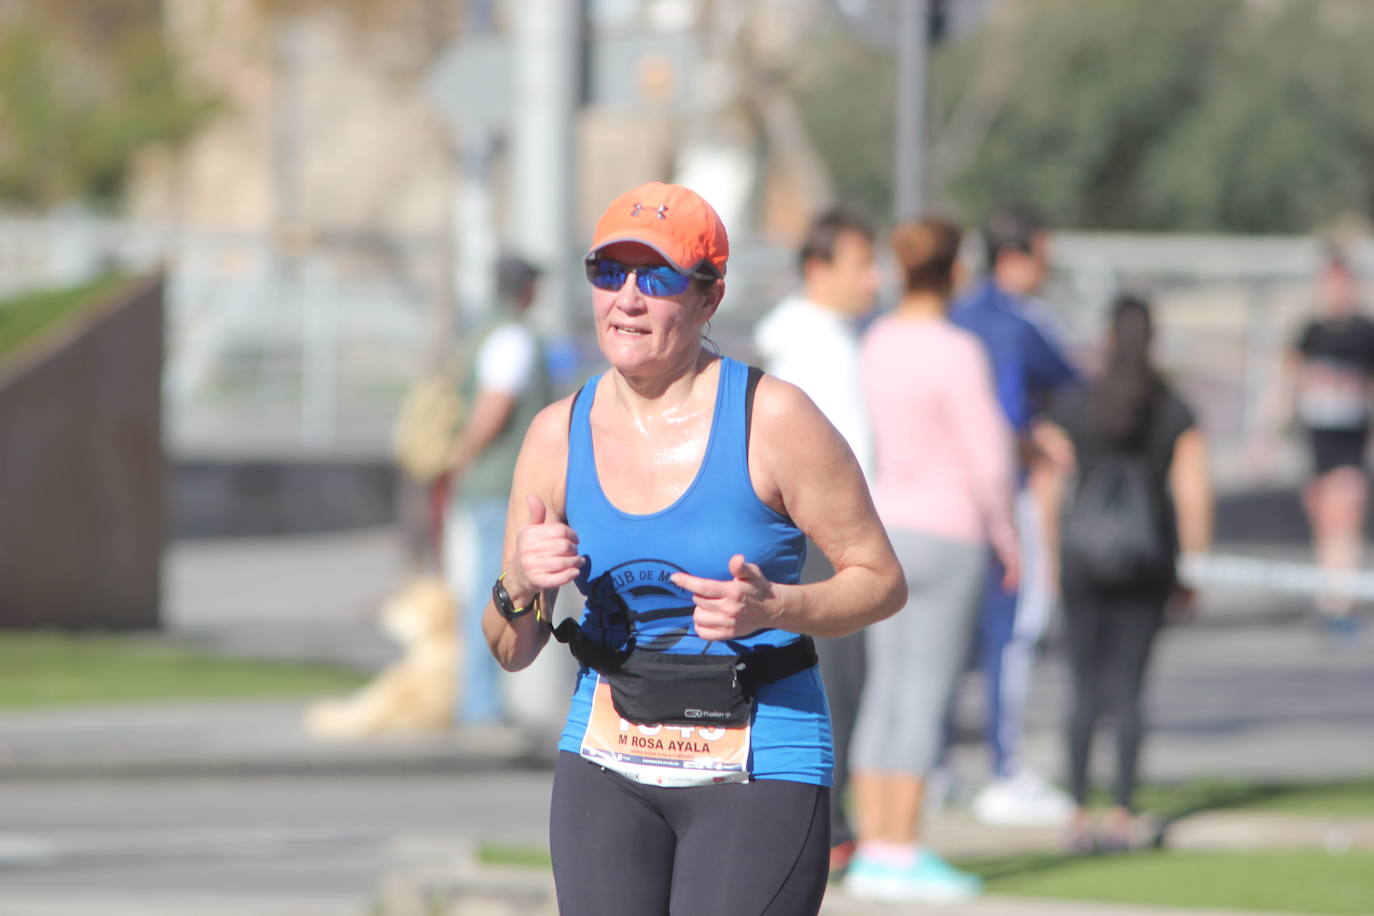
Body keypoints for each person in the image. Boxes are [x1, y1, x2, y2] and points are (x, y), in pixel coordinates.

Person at [482, 181, 906, 915]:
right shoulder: (557, 433)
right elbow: (512, 647)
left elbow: (881, 579)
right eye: (609, 272)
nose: (629, 298)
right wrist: (519, 580)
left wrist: (779, 604)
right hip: (607, 759)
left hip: (757, 761)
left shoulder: (774, 418)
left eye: (660, 277)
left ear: (709, 299)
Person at [844, 217, 1019, 902]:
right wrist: (1009, 534)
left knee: (887, 688)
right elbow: (991, 459)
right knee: (926, 691)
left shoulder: (877, 340)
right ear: (956, 271)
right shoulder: (957, 349)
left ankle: (874, 845)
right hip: (950, 529)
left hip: (889, 524)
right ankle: (901, 847)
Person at [1039, 293, 1213, 851]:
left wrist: (1050, 559)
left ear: (1107, 338)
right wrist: (1193, 566)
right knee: (1131, 688)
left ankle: (1076, 810)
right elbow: (1193, 493)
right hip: (1149, 560)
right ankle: (1122, 809)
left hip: (1083, 561)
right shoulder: (1172, 409)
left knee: (1084, 688)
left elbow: (1049, 488)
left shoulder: (1076, 404)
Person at [752, 208, 879, 871]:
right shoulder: (803, 344)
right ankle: (822, 833)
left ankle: (830, 826)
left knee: (846, 689)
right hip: (817, 545)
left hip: (837, 542)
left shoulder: (835, 335)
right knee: (829, 691)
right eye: (861, 263)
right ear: (817, 269)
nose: (874, 277)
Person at [949, 205, 1079, 826]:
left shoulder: (953, 316)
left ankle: (936, 765)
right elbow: (1063, 387)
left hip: (943, 497)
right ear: (1016, 256)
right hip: (1004, 492)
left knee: (946, 633)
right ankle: (1004, 767)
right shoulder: (1018, 321)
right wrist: (1036, 437)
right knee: (1015, 627)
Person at [442, 253, 551, 726]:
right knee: (497, 596)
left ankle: (481, 702)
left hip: (483, 483)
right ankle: (480, 705)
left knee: (483, 592)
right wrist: (462, 457)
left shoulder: (482, 333)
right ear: (526, 289)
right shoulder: (512, 337)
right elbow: (494, 408)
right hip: (498, 487)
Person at [1256, 254, 1374, 636]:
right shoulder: (1310, 333)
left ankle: (1339, 601)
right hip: (1317, 442)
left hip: (1351, 443)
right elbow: (1286, 384)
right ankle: (1330, 595)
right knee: (1325, 518)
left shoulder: (1365, 333)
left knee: (1346, 512)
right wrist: (1266, 436)